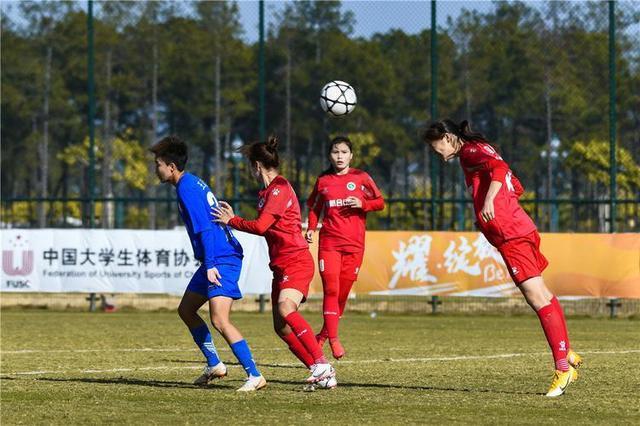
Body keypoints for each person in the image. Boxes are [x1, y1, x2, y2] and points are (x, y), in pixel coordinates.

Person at [422, 119, 582, 397]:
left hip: (511, 234)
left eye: (436, 147)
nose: (436, 153)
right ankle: (565, 352)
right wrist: (488, 213)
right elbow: (516, 186)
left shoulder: (470, 151)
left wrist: (489, 203)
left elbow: (501, 170)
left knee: (537, 298)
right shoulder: (479, 149)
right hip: (519, 227)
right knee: (543, 293)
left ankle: (562, 369)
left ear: (448, 137)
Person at [212, 136, 336, 388]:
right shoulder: (267, 193)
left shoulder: (279, 189)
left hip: (296, 261)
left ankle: (322, 363)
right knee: (281, 328)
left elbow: (260, 226)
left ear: (257, 166)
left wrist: (232, 220)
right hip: (280, 266)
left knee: (285, 308)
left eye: (250, 165)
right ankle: (320, 371)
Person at [150, 136, 266, 392]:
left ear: (171, 166)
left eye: (157, 163)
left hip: (222, 258)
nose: (155, 168)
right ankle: (214, 363)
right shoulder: (190, 183)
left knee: (219, 319)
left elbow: (205, 229)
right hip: (215, 257)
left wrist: (210, 264)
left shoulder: (186, 188)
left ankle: (254, 374)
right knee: (187, 310)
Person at [305, 136, 385, 359]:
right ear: (329, 155)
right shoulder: (323, 181)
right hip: (329, 243)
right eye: (335, 152)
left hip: (355, 245)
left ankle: (321, 335)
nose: (339, 156)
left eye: (343, 152)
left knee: (342, 293)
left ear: (351, 155)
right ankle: (334, 339)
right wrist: (311, 228)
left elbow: (380, 203)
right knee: (331, 289)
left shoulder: (361, 178)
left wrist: (363, 204)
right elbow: (314, 207)